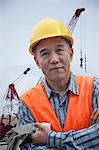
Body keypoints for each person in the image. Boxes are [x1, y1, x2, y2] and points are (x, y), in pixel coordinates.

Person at [17, 17, 99, 149]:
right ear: (37, 62)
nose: (54, 59)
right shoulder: (27, 103)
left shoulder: (93, 88)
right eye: (45, 54)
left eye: (59, 50)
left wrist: (49, 138)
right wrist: (87, 138)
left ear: (71, 54)